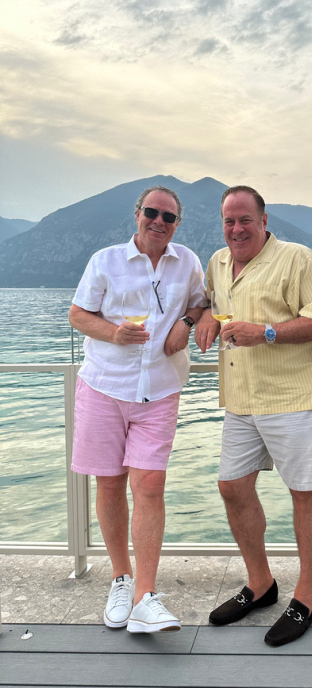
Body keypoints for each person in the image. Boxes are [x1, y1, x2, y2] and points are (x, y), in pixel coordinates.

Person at [195, 185, 312, 647]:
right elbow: (209, 306)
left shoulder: (297, 259)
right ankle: (260, 584)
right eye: (229, 221)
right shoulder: (217, 261)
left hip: (292, 395)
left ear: (264, 220)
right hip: (240, 398)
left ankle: (307, 595)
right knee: (232, 487)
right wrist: (205, 319)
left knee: (303, 493)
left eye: (245, 220)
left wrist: (268, 332)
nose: (237, 229)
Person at [69, 185, 207, 633]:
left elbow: (202, 304)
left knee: (149, 485)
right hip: (105, 386)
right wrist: (112, 333)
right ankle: (121, 578)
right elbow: (77, 314)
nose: (159, 222)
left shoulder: (186, 261)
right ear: (137, 214)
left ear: (177, 224)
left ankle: (146, 597)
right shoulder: (105, 260)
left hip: (160, 390)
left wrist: (187, 325)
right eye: (152, 212)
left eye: (168, 217)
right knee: (110, 485)